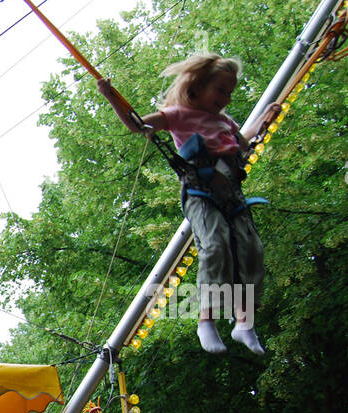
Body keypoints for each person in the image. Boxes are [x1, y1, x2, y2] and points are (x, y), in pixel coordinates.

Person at [100, 54, 281, 357]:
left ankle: (244, 323)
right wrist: (111, 96)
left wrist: (264, 119)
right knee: (215, 245)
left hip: (232, 193)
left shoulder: (224, 122)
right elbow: (138, 124)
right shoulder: (179, 114)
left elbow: (244, 142)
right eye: (220, 90)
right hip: (201, 190)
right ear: (197, 86)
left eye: (230, 92)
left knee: (251, 251)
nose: (226, 98)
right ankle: (206, 320)